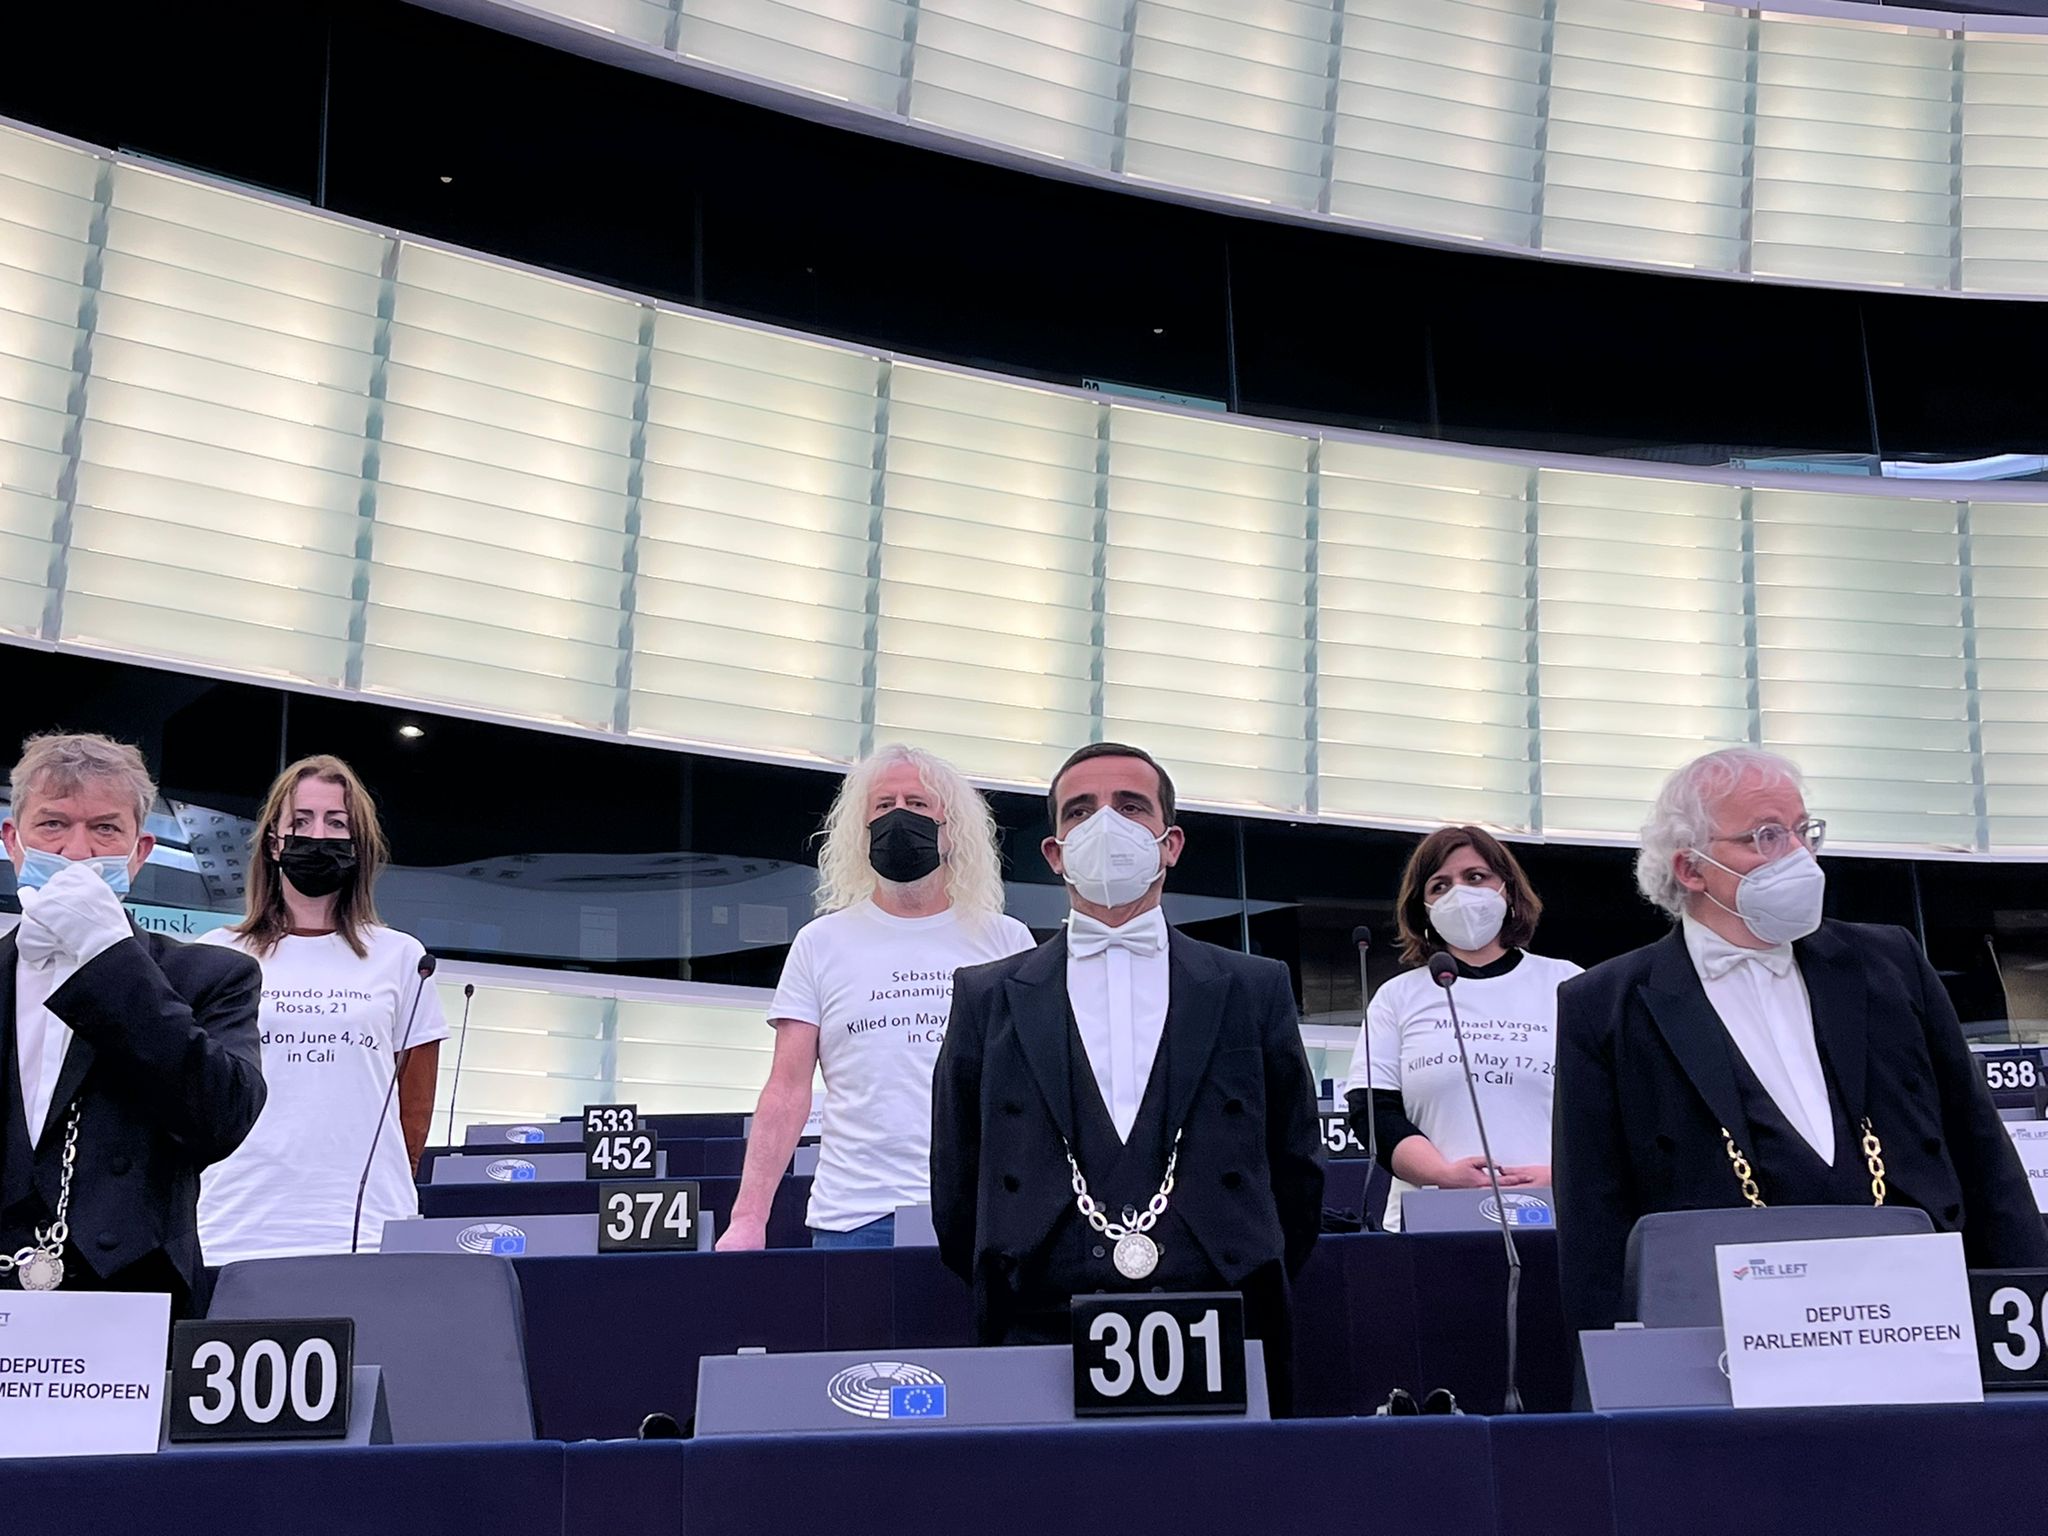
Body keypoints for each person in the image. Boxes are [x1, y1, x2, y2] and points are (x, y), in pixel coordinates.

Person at [1555, 746, 2048, 1336]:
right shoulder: (1603, 1004)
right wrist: (1610, 1366)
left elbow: (1981, 1147)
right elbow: (1592, 1212)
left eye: (1802, 831)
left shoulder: (1888, 962)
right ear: (1690, 868)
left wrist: (2030, 1303)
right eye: (1764, 836)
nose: (1797, 855)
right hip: (1726, 1329)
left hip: (1925, 1311)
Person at [931, 742, 1324, 1411]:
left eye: (1130, 807)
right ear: (1054, 853)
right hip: (1036, 1319)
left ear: (1170, 844)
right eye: (1080, 811)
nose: (1105, 824)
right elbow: (958, 1181)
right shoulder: (987, 996)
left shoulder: (1254, 986)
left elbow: (1295, 1165)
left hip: (1227, 1314)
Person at [718, 745, 1033, 1251]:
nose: (900, 816)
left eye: (918, 803)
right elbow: (786, 1089)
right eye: (884, 806)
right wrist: (748, 1219)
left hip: (979, 1217)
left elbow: (1034, 1084)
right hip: (854, 1219)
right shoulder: (820, 943)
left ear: (951, 828)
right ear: (859, 829)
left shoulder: (1006, 941)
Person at [1, 732, 264, 1313]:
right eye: (52, 825)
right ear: (12, 840)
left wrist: (110, 957)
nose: (75, 852)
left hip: (134, 1300)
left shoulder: (212, 976)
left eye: (104, 829)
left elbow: (220, 1118)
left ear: (138, 852)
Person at [197, 755, 447, 1262]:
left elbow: (412, 1118)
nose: (319, 835)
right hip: (232, 1223)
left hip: (367, 1227)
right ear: (273, 841)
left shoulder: (402, 957)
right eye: (302, 821)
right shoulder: (214, 954)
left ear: (359, 846)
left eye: (337, 823)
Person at [1344, 826, 1580, 1229]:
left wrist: (1565, 1175)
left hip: (1554, 1212)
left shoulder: (1568, 984)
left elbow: (1608, 1107)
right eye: (1439, 886)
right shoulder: (1397, 996)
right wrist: (1441, 1174)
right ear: (1424, 909)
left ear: (1507, 890)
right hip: (1431, 1221)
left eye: (1475, 877)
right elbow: (1373, 1110)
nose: (1459, 893)